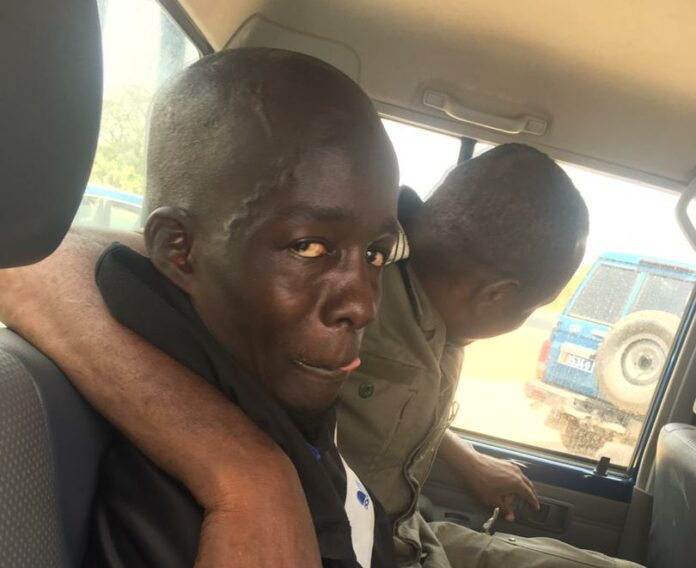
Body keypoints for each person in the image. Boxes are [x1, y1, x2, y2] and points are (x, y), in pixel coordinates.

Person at [0, 65, 641, 568]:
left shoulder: (302, 394)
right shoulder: (212, 451)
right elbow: (29, 262)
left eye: (377, 253)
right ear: (181, 252)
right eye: (310, 247)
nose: (364, 302)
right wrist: (246, 473)